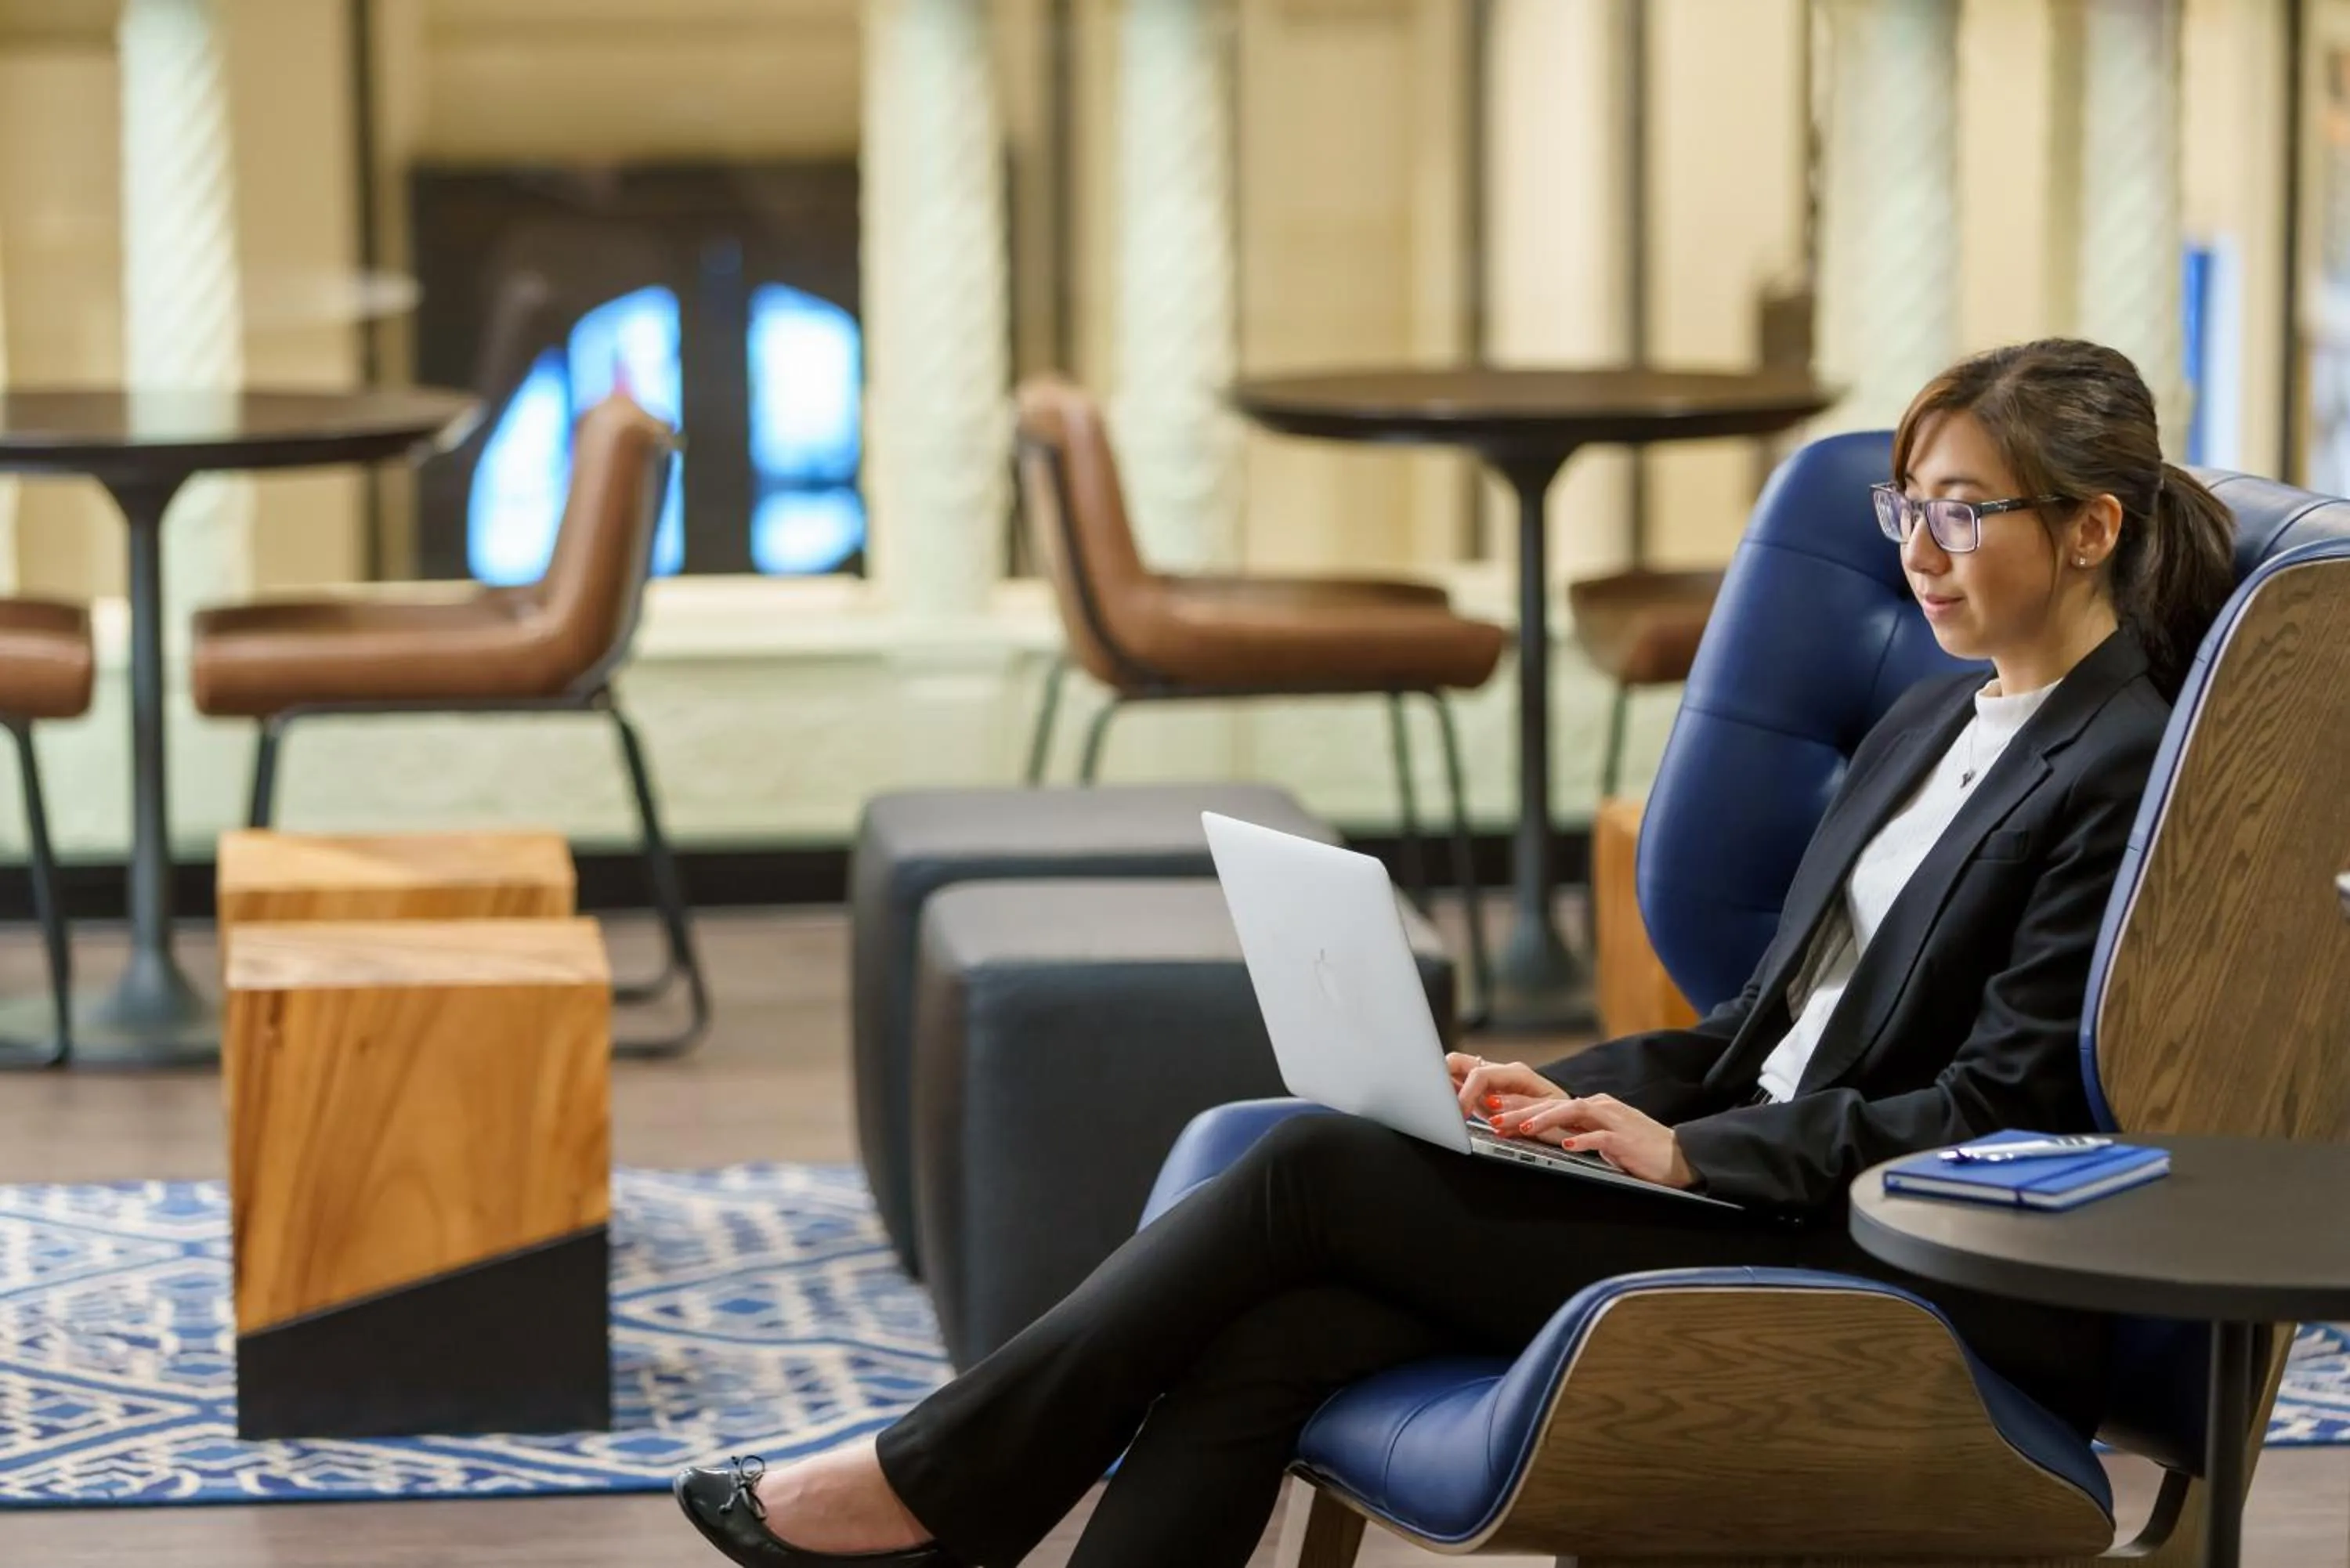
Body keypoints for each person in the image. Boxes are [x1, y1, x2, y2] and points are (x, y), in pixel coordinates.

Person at [672, 338, 2239, 1568]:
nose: (1921, 546)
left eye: (1965, 509)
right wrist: (1561, 1097)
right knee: (1281, 1328)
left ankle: (923, 1480)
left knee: (1310, 1173)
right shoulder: (1927, 718)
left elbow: (1994, 1109)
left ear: (2093, 526)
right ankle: (936, 1495)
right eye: (1907, 506)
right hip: (1768, 1179)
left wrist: (1694, 1164)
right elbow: (1772, 1028)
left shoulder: (2120, 764)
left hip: (1884, 1260)